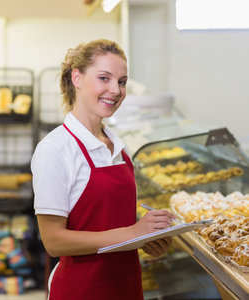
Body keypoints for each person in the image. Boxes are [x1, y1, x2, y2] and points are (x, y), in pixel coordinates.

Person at [31, 38, 175, 299]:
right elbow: (53, 241)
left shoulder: (120, 147)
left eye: (121, 82)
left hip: (126, 286)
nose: (116, 90)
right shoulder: (55, 149)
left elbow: (112, 224)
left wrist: (146, 240)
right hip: (82, 289)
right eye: (104, 78)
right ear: (77, 78)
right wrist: (132, 232)